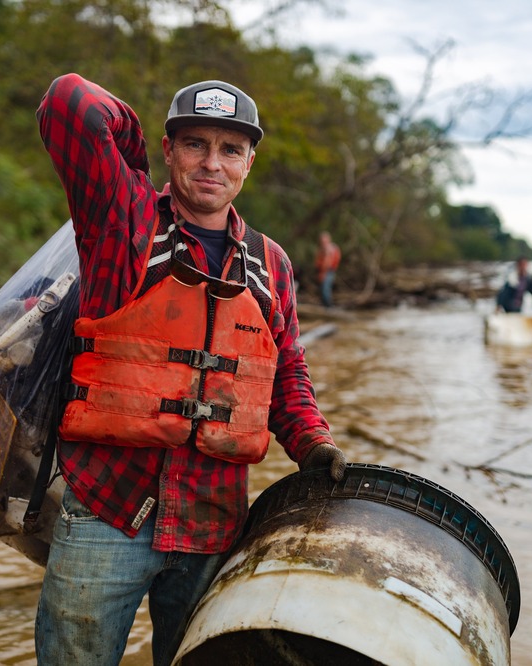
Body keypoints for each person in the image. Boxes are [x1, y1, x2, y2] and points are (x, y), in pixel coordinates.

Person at [33, 74, 346, 666]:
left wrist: (313, 443)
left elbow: (286, 375)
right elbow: (70, 103)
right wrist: (134, 153)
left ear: (250, 162)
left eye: (230, 149)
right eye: (195, 143)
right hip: (108, 512)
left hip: (215, 523)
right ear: (171, 151)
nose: (212, 163)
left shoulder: (272, 264)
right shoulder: (121, 225)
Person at [314, 230, 342, 307]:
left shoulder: (328, 249)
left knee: (325, 290)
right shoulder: (326, 248)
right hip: (326, 271)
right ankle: (326, 307)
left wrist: (323, 273)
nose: (322, 242)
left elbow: (327, 262)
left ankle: (328, 308)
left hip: (327, 271)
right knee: (324, 289)